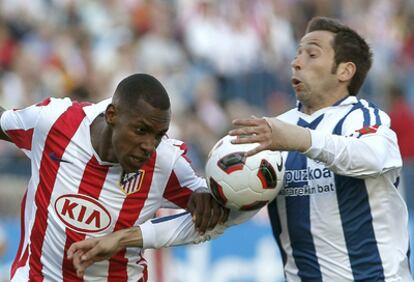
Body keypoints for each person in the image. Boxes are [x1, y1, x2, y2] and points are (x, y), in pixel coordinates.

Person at [0, 73, 250, 281]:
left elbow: (236, 210)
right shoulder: (54, 122)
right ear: (112, 115)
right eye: (141, 131)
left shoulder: (165, 162)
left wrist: (210, 203)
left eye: (158, 135)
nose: (149, 145)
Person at [229, 17, 412, 281]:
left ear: (344, 71)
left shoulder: (364, 118)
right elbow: (235, 204)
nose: (296, 62)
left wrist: (303, 140)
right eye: (297, 53)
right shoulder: (275, 130)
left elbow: (372, 157)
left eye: (312, 53)